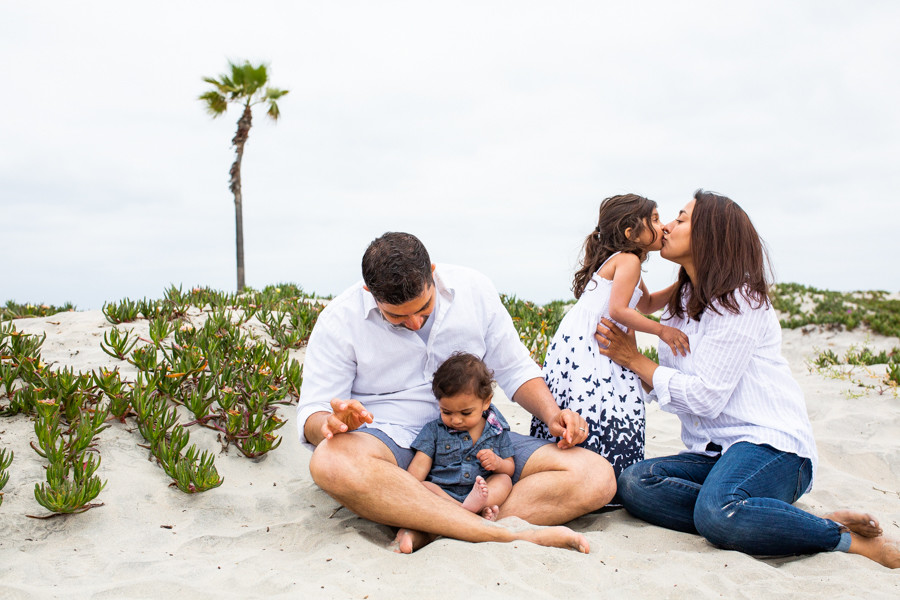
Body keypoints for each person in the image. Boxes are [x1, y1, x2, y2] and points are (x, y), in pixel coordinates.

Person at [594, 189, 899, 569]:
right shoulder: (680, 304)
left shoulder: (742, 300)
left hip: (774, 448)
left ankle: (842, 539)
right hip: (715, 452)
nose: (668, 227)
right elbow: (661, 364)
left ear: (711, 235)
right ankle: (772, 518)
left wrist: (635, 359)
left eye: (681, 219)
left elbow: (705, 397)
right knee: (636, 483)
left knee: (718, 512)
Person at [298, 232, 615, 553]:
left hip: (481, 434)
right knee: (330, 459)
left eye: (423, 308)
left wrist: (552, 414)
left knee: (595, 476)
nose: (414, 322)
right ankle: (499, 531)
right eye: (396, 316)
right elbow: (312, 415)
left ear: (432, 273)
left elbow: (514, 369)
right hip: (393, 444)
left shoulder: (474, 289)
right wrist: (330, 423)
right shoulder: (338, 319)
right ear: (370, 291)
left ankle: (431, 527)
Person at [531, 194, 688, 477]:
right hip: (593, 346)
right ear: (631, 233)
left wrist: (680, 284)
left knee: (587, 402)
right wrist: (661, 330)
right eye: (654, 219)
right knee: (607, 403)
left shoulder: (624, 261)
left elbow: (647, 302)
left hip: (580, 344)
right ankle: (605, 472)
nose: (663, 226)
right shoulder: (628, 260)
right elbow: (617, 310)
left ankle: (580, 470)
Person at [409, 352, 515, 521]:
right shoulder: (434, 430)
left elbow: (510, 467)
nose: (456, 420)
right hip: (443, 493)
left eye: (466, 413)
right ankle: (468, 511)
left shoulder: (496, 429)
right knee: (424, 486)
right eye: (446, 412)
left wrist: (498, 462)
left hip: (481, 492)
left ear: (486, 402)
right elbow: (418, 469)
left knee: (504, 480)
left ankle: (473, 507)